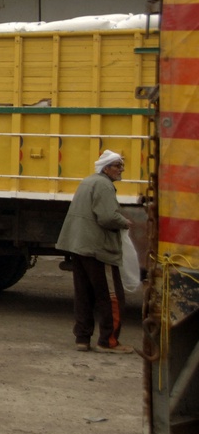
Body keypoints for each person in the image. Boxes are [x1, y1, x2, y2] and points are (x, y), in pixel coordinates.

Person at [56, 150, 134, 354]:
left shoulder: (89, 181)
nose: (121, 169)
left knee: (83, 293)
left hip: (79, 245)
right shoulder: (104, 185)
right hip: (97, 248)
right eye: (117, 165)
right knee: (111, 296)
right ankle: (108, 341)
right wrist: (124, 222)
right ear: (106, 168)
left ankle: (82, 339)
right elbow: (107, 217)